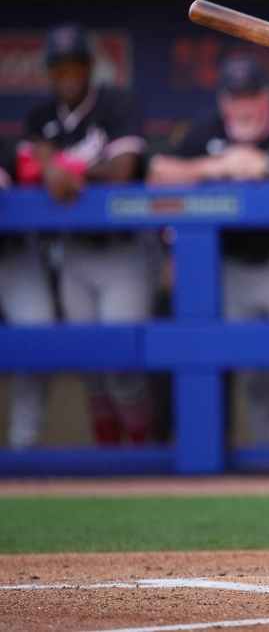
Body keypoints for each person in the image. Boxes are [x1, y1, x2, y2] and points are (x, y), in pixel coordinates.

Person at [148, 56, 269, 445]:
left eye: (251, 96)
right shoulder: (208, 130)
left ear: (267, 97)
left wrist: (267, 165)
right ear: (223, 101)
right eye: (235, 98)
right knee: (252, 367)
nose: (243, 107)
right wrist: (212, 167)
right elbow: (158, 173)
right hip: (233, 265)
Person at [18, 24, 153, 445]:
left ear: (90, 67)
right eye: (59, 67)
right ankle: (108, 463)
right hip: (74, 252)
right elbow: (24, 169)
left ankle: (141, 454)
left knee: (121, 367)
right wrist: (45, 165)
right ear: (49, 73)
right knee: (91, 370)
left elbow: (124, 170)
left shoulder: (116, 104)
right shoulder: (41, 117)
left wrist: (65, 169)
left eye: (75, 64)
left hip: (123, 252)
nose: (68, 74)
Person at [0, 138, 57, 449]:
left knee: (36, 338)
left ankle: (23, 445)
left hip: (13, 255)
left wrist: (49, 165)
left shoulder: (13, 150)